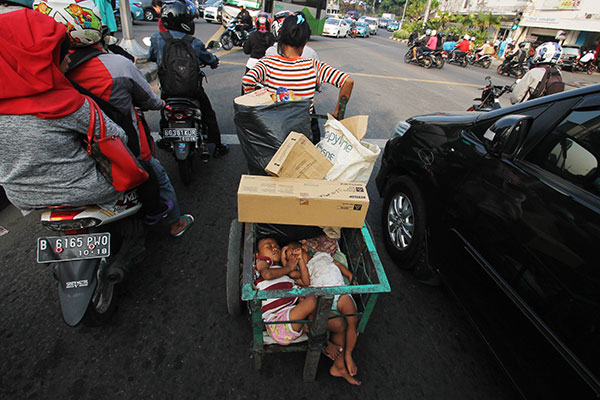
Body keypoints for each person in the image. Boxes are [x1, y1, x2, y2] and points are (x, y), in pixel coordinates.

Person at [35, 0, 195, 236]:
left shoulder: (42, 70)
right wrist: (160, 104)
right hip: (123, 147)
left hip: (69, 152)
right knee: (158, 176)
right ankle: (175, 223)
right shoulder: (118, 65)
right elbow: (149, 100)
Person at [0, 8, 168, 221]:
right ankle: (159, 215)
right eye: (60, 53)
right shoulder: (69, 102)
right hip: (88, 190)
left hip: (22, 197)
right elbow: (116, 136)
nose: (68, 60)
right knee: (148, 173)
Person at [255, 237, 360, 386]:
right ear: (257, 254)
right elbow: (267, 275)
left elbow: (306, 282)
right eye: (268, 246)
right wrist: (289, 265)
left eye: (277, 246)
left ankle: (339, 366)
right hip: (278, 323)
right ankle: (324, 343)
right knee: (312, 299)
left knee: (339, 324)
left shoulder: (288, 277)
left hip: (295, 318)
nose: (275, 248)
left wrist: (297, 263)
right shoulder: (264, 264)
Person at [242, 12, 353, 143]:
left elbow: (247, 80)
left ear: (281, 36)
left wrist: (257, 107)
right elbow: (347, 82)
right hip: (302, 133)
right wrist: (337, 113)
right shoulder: (314, 66)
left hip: (274, 130)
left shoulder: (267, 62)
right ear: (305, 41)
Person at [148, 0, 229, 157]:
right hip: (192, 91)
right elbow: (209, 59)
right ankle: (218, 146)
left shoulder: (157, 39)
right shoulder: (194, 42)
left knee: (164, 111)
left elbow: (150, 57)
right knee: (208, 113)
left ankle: (165, 139)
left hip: (168, 90)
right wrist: (214, 62)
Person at [282, 242, 360, 379]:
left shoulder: (321, 256)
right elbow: (293, 274)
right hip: (323, 302)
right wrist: (286, 260)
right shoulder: (301, 272)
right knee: (336, 324)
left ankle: (348, 354)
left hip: (340, 290)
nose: (295, 255)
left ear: (304, 248)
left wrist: (349, 274)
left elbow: (337, 264)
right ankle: (339, 364)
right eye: (291, 257)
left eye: (295, 251)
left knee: (352, 320)